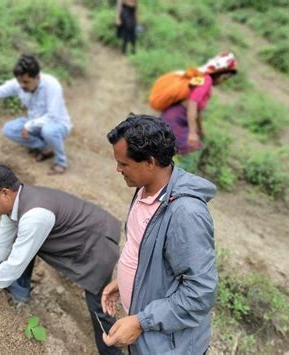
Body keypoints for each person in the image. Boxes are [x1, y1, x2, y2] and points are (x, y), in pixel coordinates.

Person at [0, 164, 123, 355]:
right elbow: (0, 247)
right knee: (22, 243)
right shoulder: (15, 204)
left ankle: (112, 349)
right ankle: (21, 290)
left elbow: (12, 268)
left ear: (4, 193)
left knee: (99, 304)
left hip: (97, 243)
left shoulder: (34, 216)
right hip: (86, 231)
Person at [101, 114, 218, 354]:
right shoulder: (147, 190)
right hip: (148, 334)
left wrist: (141, 321)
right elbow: (145, 250)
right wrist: (129, 281)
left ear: (150, 163)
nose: (117, 169)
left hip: (168, 345)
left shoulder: (185, 213)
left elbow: (200, 294)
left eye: (124, 164)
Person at [0, 54, 71, 175]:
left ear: (37, 77)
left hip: (57, 125)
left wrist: (29, 126)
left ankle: (61, 162)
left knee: (48, 130)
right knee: (9, 129)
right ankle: (45, 147)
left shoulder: (52, 85)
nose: (22, 85)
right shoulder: (19, 84)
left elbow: (53, 116)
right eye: (19, 81)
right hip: (34, 124)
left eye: (26, 82)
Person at [160, 52, 238, 171]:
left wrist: (200, 130)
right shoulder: (206, 80)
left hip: (173, 116)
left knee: (168, 153)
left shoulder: (201, 79)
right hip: (176, 118)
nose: (224, 81)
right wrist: (192, 133)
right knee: (189, 156)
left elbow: (197, 111)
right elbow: (192, 103)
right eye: (225, 77)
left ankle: (163, 181)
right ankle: (166, 184)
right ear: (221, 73)